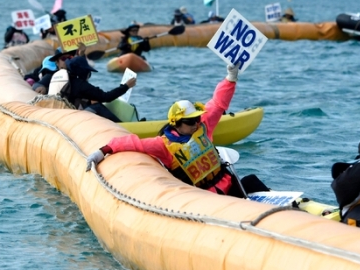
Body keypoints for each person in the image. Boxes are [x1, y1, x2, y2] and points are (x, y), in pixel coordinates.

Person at [85, 63, 269, 197]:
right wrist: (102, 151)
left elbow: (218, 103)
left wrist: (231, 78)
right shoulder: (163, 146)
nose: (196, 123)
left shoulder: (202, 127)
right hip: (209, 199)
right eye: (190, 122)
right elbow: (134, 143)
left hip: (230, 185)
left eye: (196, 119)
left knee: (252, 180)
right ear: (177, 124)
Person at [59, 55, 136, 122]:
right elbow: (106, 97)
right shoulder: (82, 86)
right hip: (77, 117)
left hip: (68, 115)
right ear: (83, 72)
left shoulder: (69, 80)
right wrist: (126, 86)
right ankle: (123, 126)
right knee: (97, 107)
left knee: (94, 104)